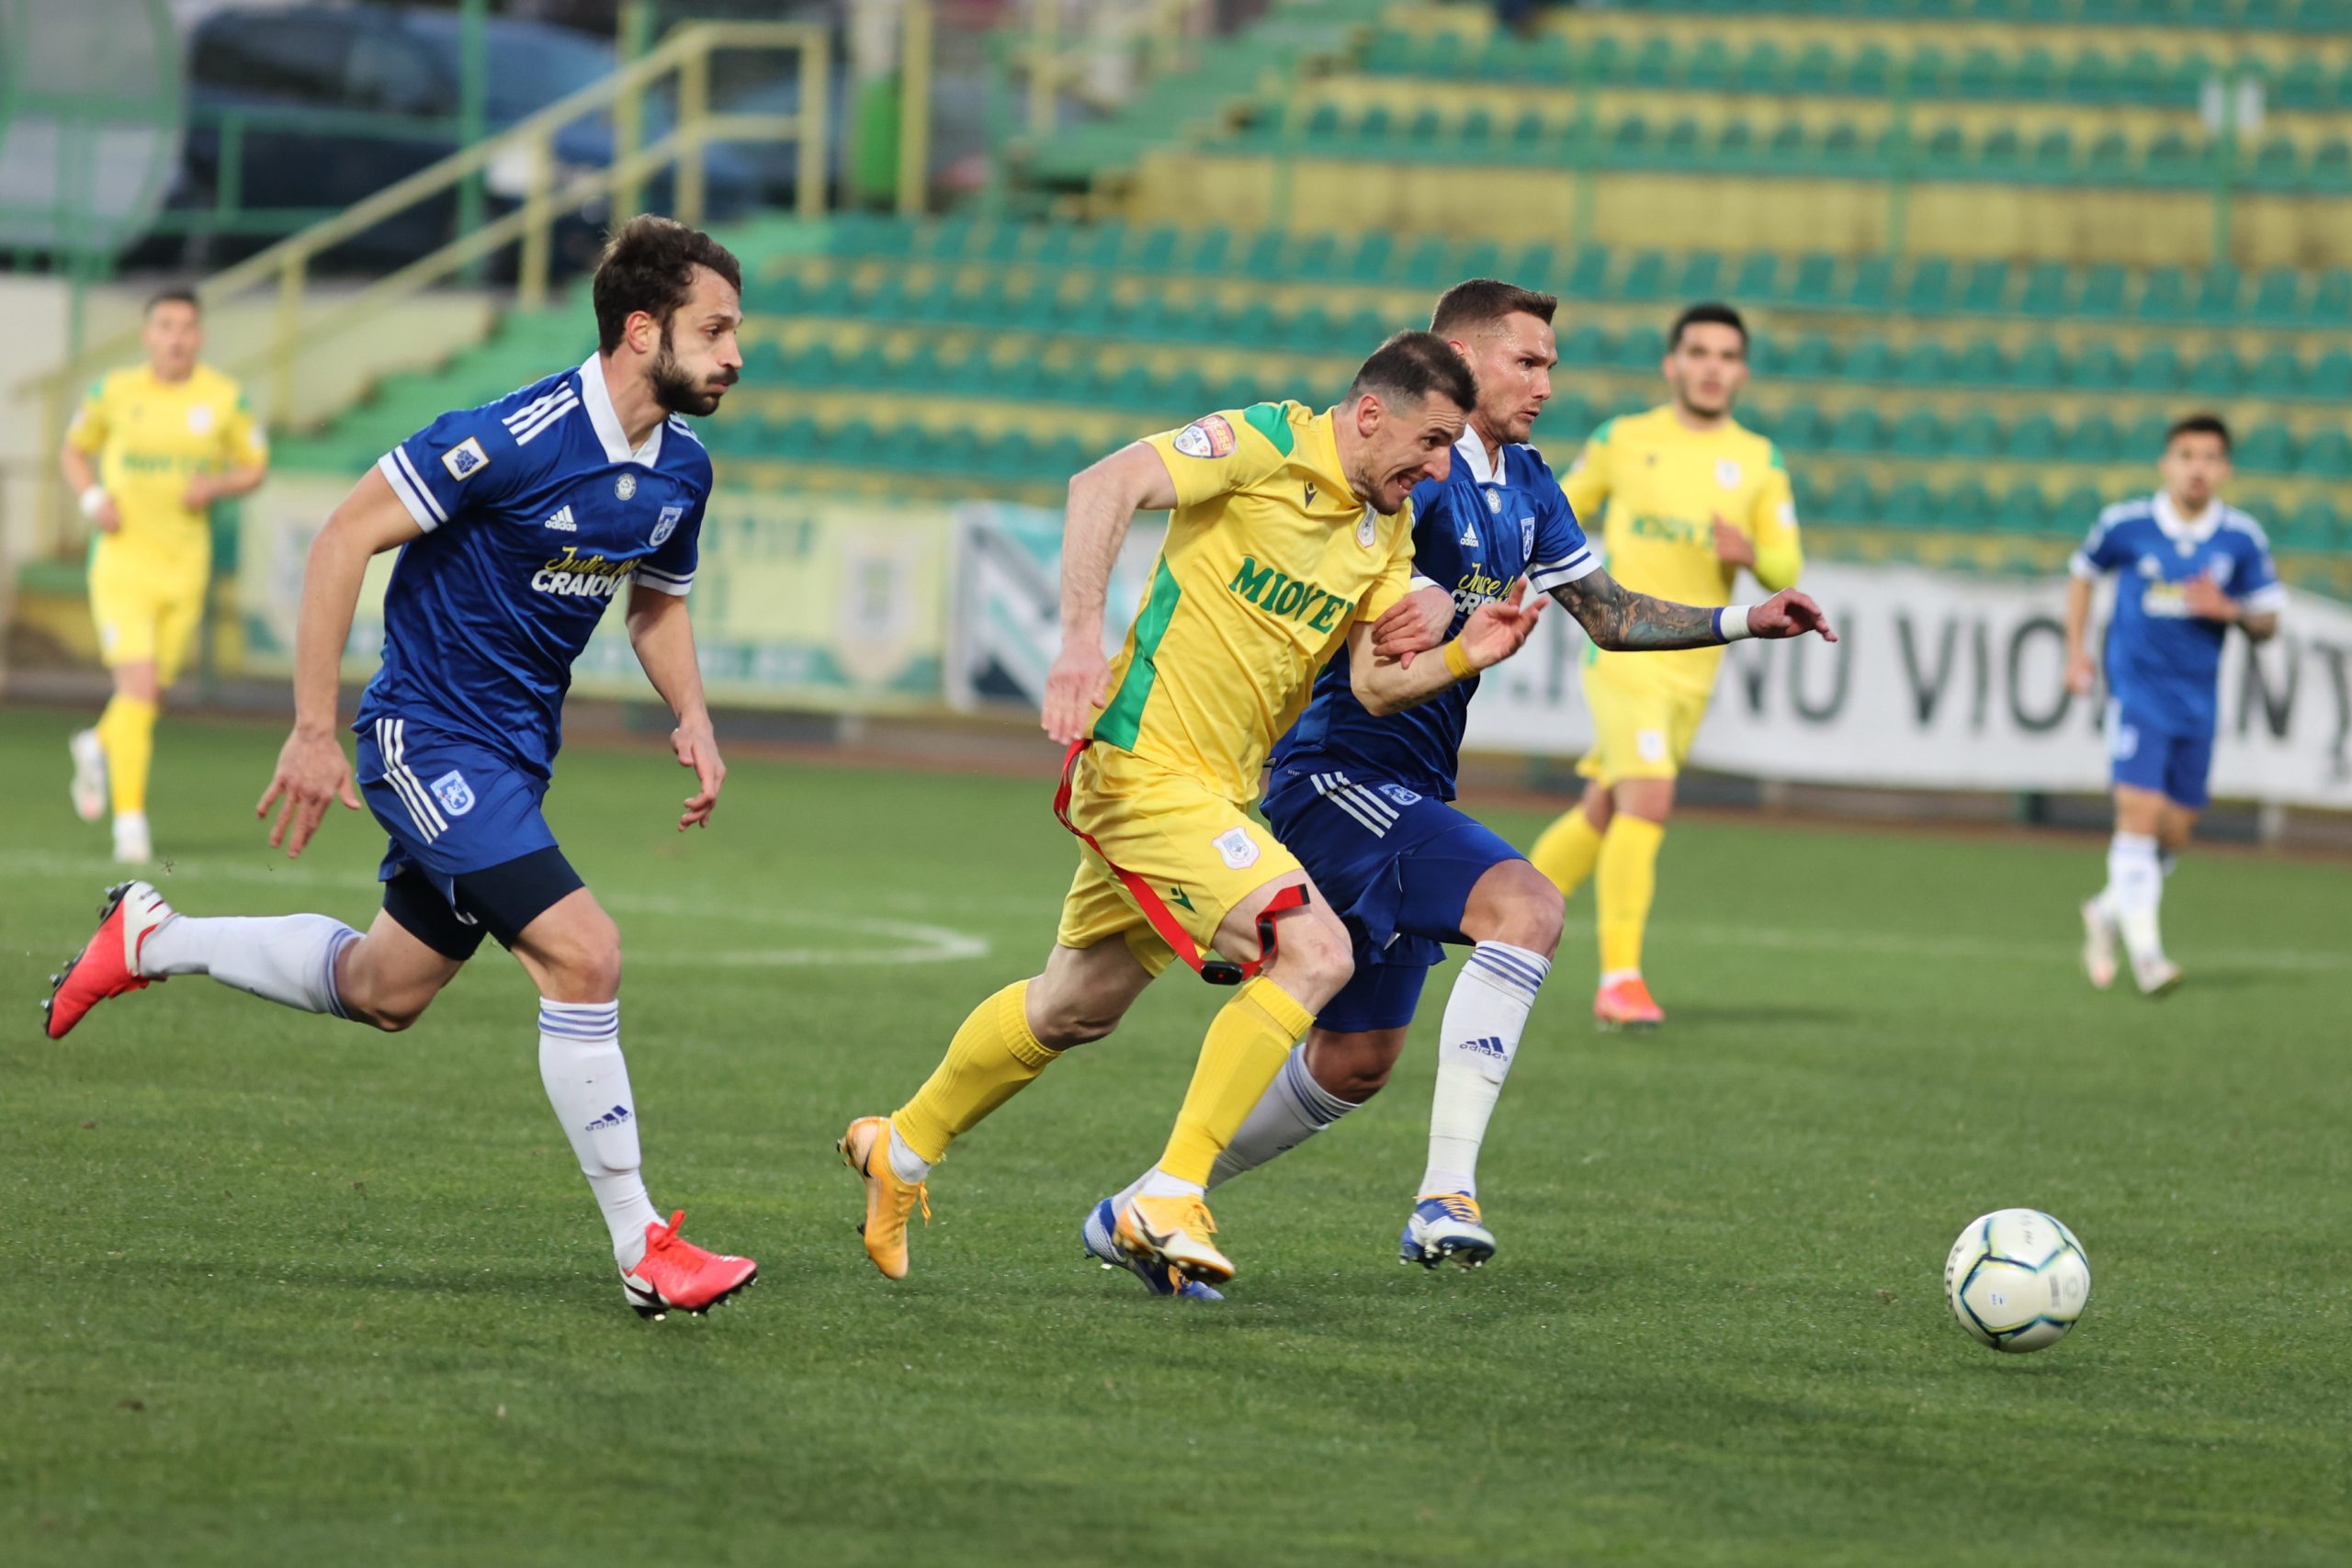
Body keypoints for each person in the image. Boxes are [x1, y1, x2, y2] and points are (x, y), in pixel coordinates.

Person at [41, 216, 757, 1319]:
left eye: (735, 332)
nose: (733, 354)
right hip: (424, 737)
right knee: (585, 954)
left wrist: (695, 714)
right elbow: (340, 539)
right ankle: (642, 1246)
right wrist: (315, 728)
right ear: (640, 329)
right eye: (714, 330)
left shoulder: (683, 474)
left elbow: (656, 602)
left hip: (513, 760)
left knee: (387, 991)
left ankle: (151, 937)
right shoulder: (507, 438)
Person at [1082, 279, 1835, 1283]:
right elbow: (1364, 629)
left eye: (1552, 367)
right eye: (1527, 363)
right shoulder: (1406, 477)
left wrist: (1745, 619)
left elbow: (1606, 616)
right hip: (1333, 769)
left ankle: (1147, 1204)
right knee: (1525, 906)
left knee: (1357, 1062)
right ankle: (1445, 1196)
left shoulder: (1524, 481)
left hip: (1411, 785)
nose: (1545, 385)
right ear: (1459, 360)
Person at [840, 333, 1545, 1294]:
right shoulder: (1262, 443)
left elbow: (1380, 686)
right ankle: (1167, 1193)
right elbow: (1103, 484)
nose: (1435, 469)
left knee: (1073, 1005)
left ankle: (903, 1147)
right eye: (1429, 443)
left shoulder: (1385, 531)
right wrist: (1080, 645)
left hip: (1215, 791)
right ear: (1370, 413)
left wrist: (1472, 652)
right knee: (1317, 952)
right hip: (1140, 767)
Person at [1525, 301, 1805, 1030]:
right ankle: (1619, 980)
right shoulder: (1624, 439)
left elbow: (1787, 563)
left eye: (1726, 355)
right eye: (1699, 352)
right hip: (1625, 653)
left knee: (1607, 809)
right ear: (1673, 363)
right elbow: (1556, 504)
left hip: (1695, 666)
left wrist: (1752, 557)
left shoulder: (1758, 459)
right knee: (1648, 798)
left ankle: (1501, 909)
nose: (1712, 367)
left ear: (1741, 371)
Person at [2064, 413, 2282, 997]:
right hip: (2136, 693)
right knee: (2136, 818)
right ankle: (2149, 956)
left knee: (2176, 831)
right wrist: (2076, 654)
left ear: (2225, 469)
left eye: (2210, 458)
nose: (2198, 468)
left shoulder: (2241, 538)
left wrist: (2230, 611)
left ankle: (2107, 911)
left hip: (2198, 703)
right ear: (2167, 463)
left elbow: (2268, 621)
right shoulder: (2127, 524)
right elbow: (2082, 575)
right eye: (2187, 455)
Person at [61, 288, 271, 863]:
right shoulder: (113, 392)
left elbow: (254, 466)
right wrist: (92, 499)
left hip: (184, 567)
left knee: (149, 694)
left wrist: (216, 485)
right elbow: (74, 452)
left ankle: (97, 743)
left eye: (185, 327)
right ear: (146, 334)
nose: (175, 337)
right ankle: (130, 824)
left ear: (199, 337)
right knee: (137, 687)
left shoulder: (223, 398)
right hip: (122, 562)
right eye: (164, 326)